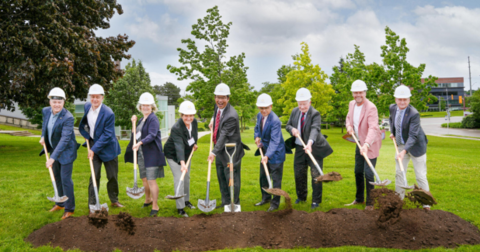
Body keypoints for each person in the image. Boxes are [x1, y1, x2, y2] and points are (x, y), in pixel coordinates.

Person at [285, 88, 333, 209]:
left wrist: (310, 143)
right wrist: (292, 129)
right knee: (299, 173)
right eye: (299, 104)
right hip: (300, 147)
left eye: (304, 104)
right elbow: (288, 125)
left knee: (316, 175)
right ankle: (301, 197)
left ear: (309, 102)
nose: (301, 107)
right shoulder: (295, 111)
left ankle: (316, 201)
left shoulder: (315, 113)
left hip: (314, 148)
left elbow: (315, 129)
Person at [79, 84, 123, 211]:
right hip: (93, 145)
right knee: (94, 176)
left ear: (102, 98)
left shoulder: (109, 113)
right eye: (92, 97)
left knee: (112, 176)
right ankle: (92, 204)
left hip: (109, 148)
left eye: (97, 97)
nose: (95, 100)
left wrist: (93, 149)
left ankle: (114, 200)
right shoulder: (87, 107)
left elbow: (108, 135)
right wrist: (87, 135)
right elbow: (85, 124)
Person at [207, 83, 249, 209]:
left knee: (232, 179)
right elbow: (217, 115)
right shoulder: (218, 107)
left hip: (231, 152)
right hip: (220, 150)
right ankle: (225, 202)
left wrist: (213, 152)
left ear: (228, 98)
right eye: (218, 97)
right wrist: (212, 120)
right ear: (215, 97)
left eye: (223, 97)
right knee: (221, 177)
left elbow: (224, 135)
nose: (220, 100)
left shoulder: (231, 115)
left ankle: (234, 204)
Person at [39, 87, 79, 220]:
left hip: (66, 151)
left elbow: (65, 139)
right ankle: (60, 203)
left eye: (60, 102)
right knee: (56, 177)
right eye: (54, 102)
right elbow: (45, 125)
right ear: (50, 101)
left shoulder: (68, 117)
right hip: (54, 149)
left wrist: (52, 158)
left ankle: (69, 209)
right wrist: (43, 136)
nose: (57, 105)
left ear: (64, 103)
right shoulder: (46, 111)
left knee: (65, 179)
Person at [389, 85, 431, 210]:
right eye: (400, 99)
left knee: (420, 175)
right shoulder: (392, 108)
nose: (402, 102)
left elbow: (412, 136)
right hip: (401, 145)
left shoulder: (414, 114)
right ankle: (398, 201)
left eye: (405, 99)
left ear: (409, 100)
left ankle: (426, 203)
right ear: (395, 99)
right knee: (399, 173)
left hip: (417, 147)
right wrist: (393, 133)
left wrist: (404, 151)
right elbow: (393, 121)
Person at [125, 92, 166, 216]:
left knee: (151, 180)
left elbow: (152, 135)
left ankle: (155, 205)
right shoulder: (142, 120)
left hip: (152, 154)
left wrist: (140, 143)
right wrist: (133, 122)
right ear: (140, 107)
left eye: (148, 105)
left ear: (152, 106)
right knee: (144, 179)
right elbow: (136, 135)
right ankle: (147, 199)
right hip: (142, 154)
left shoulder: (153, 119)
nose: (146, 107)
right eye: (144, 105)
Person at [345, 80, 382, 210]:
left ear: (365, 92)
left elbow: (373, 128)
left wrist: (366, 144)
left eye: (360, 92)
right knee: (357, 171)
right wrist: (349, 126)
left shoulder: (371, 107)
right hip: (359, 141)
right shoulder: (351, 104)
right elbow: (348, 118)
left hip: (370, 143)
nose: (358, 94)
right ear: (353, 93)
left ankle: (370, 203)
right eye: (355, 92)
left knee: (369, 173)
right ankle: (359, 199)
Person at [253, 94, 290, 212]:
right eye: (261, 108)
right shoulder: (259, 115)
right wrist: (257, 136)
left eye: (266, 108)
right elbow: (257, 128)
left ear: (271, 106)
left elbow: (275, 141)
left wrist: (267, 156)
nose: (263, 110)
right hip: (265, 150)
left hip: (276, 153)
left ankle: (275, 203)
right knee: (263, 176)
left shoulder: (275, 121)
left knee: (275, 179)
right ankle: (266, 198)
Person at [164, 101, 198, 217]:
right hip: (173, 155)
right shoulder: (176, 128)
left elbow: (194, 135)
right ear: (181, 115)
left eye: (191, 115)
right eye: (186, 115)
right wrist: (183, 164)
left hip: (187, 153)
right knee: (180, 178)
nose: (189, 118)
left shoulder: (195, 122)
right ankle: (180, 208)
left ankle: (186, 201)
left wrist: (194, 144)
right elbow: (179, 146)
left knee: (186, 178)